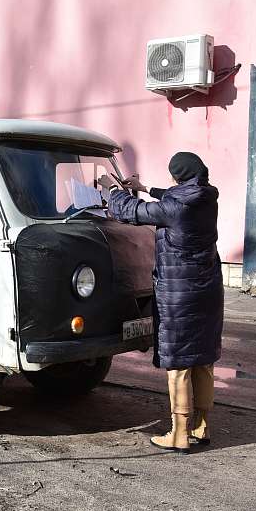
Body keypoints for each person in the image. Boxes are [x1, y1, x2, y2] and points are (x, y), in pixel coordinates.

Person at [98, 152, 224, 454]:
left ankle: (179, 434)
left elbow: (130, 211)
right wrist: (145, 188)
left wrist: (111, 190)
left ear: (177, 176)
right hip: (208, 291)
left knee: (179, 363)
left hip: (180, 294)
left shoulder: (175, 207)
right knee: (203, 360)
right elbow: (175, 198)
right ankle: (201, 426)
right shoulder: (207, 197)